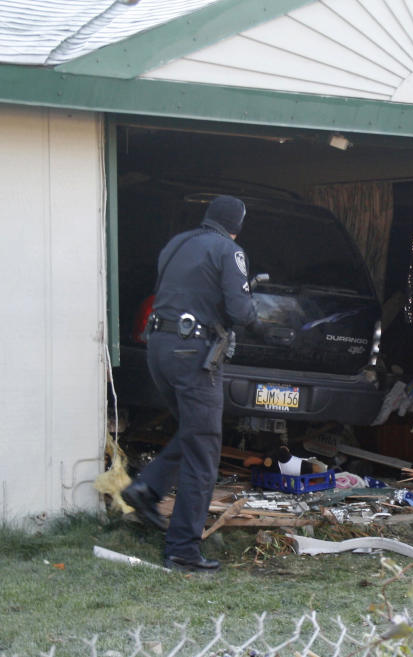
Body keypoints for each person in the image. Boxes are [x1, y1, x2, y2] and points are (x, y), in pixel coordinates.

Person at [121, 195, 259, 573]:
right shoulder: (230, 251)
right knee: (204, 450)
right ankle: (182, 549)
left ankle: (147, 488)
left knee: (195, 431)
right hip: (193, 354)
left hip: (158, 349)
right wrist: (253, 299)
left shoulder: (176, 243)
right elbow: (241, 313)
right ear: (237, 224)